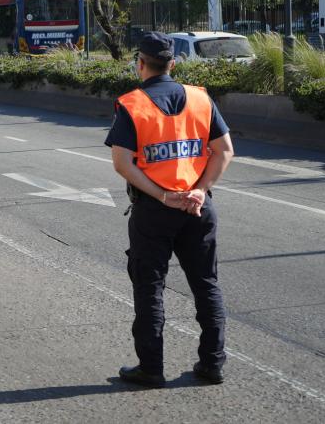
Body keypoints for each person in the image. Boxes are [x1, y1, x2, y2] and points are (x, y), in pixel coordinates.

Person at [105, 31, 234, 389]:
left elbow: (122, 163)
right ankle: (212, 364)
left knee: (150, 287)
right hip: (198, 208)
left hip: (154, 211)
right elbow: (224, 151)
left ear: (140, 64)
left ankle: (151, 368)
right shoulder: (200, 99)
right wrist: (199, 191)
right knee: (206, 284)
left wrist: (163, 197)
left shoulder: (133, 104)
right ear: (173, 64)